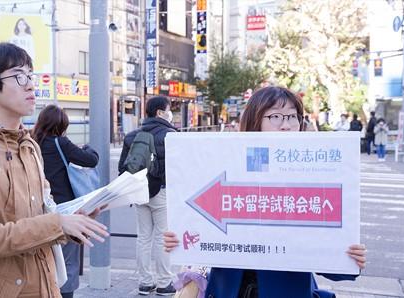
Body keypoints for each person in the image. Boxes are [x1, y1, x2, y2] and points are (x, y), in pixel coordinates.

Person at [163, 86, 367, 298]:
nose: (286, 125)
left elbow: (327, 260)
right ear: (255, 121)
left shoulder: (314, 177)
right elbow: (200, 235)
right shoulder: (222, 164)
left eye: (292, 117)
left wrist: (349, 258)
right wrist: (180, 239)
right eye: (276, 116)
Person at [0, 42, 108, 297]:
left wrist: (73, 221)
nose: (31, 84)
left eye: (30, 75)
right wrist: (57, 224)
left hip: (43, 285)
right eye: (19, 76)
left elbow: (39, 221)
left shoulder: (29, 145)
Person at [33, 105, 99, 298]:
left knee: (43, 258)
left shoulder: (30, 143)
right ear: (60, 125)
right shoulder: (60, 143)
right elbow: (90, 160)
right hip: (64, 210)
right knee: (67, 260)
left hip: (37, 208)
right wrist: (87, 147)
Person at [118, 96, 177, 296]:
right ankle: (164, 283)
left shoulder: (133, 135)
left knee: (143, 237)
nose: (171, 114)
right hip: (161, 191)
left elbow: (122, 168)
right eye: (169, 110)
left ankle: (144, 283)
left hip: (139, 191)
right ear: (160, 113)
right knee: (162, 237)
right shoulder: (170, 135)